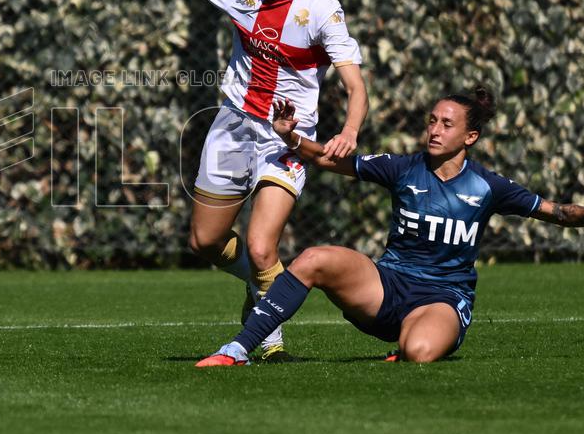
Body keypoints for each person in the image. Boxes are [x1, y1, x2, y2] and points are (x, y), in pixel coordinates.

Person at [61, 0, 368, 360]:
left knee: (264, 248)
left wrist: (349, 130)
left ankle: (267, 335)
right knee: (205, 242)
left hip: (284, 138)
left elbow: (354, 85)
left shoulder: (323, 9)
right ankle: (257, 286)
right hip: (232, 128)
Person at [196, 87, 584, 366]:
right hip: (386, 287)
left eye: (447, 125)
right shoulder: (403, 168)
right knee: (314, 258)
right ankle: (237, 349)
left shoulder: (489, 186)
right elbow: (331, 161)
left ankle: (414, 339)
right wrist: (291, 136)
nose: (434, 130)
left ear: (470, 136)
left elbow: (560, 213)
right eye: (432, 121)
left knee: (419, 353)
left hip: (443, 297)